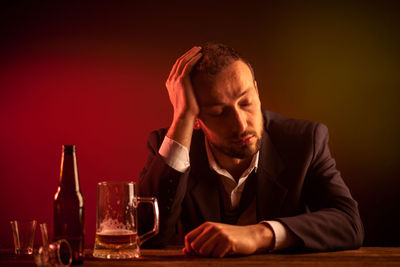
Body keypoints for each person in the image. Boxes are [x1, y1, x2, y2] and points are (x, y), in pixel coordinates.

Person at [139, 43, 364, 257]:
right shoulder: (168, 145)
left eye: (246, 102)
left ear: (257, 91)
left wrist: (259, 234)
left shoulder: (304, 141)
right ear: (196, 118)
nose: (240, 123)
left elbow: (349, 223)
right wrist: (182, 117)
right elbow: (145, 236)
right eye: (219, 112)